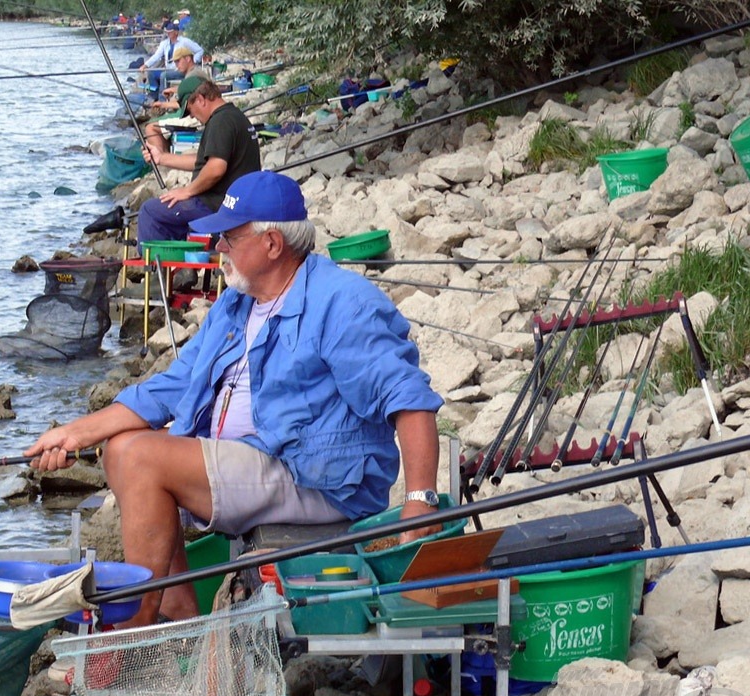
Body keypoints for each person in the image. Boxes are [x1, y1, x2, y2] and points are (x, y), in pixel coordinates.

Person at [26, 171, 444, 627]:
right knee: (121, 446)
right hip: (258, 460)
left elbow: (408, 398)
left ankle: (138, 629)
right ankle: (175, 609)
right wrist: (73, 434)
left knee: (138, 454)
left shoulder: (342, 303)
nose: (218, 248)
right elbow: (173, 386)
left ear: (271, 243)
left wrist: (420, 499)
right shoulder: (236, 303)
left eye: (229, 237)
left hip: (319, 478)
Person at [136, 77, 260, 249]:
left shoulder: (220, 121)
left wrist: (187, 191)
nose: (192, 116)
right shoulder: (234, 116)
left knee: (150, 211)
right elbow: (204, 161)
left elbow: (216, 168)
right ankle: (184, 269)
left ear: (201, 99)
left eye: (191, 110)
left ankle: (158, 271)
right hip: (233, 203)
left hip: (218, 205)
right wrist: (161, 157)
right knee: (170, 215)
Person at [143, 46, 211, 152]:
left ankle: (162, 161)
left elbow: (187, 105)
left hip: (195, 119)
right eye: (175, 62)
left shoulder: (193, 75)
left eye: (178, 61)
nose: (176, 65)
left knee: (150, 127)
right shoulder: (195, 72)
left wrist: (163, 104)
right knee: (159, 122)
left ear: (188, 59)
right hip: (199, 115)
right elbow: (190, 91)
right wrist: (173, 90)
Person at [139, 21, 204, 96]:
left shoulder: (185, 41)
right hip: (168, 69)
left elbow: (200, 50)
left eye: (170, 32)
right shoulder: (164, 43)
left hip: (180, 70)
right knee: (151, 74)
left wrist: (193, 61)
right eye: (167, 32)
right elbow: (156, 56)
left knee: (164, 75)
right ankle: (154, 96)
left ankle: (162, 98)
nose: (168, 34)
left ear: (176, 32)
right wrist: (145, 65)